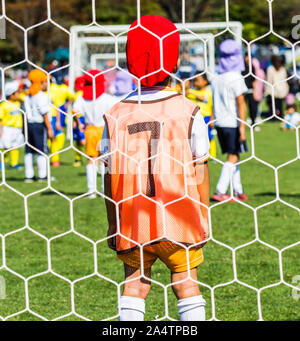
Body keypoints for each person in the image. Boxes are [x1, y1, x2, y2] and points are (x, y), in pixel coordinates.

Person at [102, 14, 210, 321]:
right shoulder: (188, 110)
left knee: (134, 286)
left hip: (134, 218)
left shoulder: (115, 114)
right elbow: (199, 167)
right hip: (180, 217)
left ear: (129, 60)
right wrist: (203, 214)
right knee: (186, 283)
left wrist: (113, 222)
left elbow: (108, 178)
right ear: (174, 62)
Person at [211, 39, 248, 202]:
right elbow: (241, 103)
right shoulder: (236, 78)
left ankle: (238, 190)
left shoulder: (217, 78)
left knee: (235, 155)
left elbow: (213, 100)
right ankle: (220, 190)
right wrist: (242, 127)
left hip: (219, 122)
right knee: (232, 156)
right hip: (232, 123)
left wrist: (212, 117)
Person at [73, 69, 118, 197]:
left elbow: (75, 110)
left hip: (90, 130)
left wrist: (80, 126)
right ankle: (105, 189)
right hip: (105, 129)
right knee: (105, 161)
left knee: (91, 160)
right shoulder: (107, 98)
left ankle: (91, 190)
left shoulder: (82, 98)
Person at [23, 69, 54, 182]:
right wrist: (50, 129)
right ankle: (42, 175)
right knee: (41, 150)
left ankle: (29, 175)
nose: (47, 84)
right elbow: (44, 114)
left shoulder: (28, 95)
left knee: (29, 150)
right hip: (39, 125)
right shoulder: (40, 96)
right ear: (40, 82)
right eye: (45, 82)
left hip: (29, 125)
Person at [187, 73, 217, 158]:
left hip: (206, 118)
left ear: (205, 81)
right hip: (194, 118)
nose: (195, 82)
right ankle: (197, 153)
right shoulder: (192, 91)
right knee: (195, 136)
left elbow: (205, 100)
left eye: (198, 80)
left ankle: (212, 155)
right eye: (194, 80)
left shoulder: (208, 92)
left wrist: (212, 118)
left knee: (209, 136)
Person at [0, 81, 24, 170]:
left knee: (15, 146)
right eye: (17, 92)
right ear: (11, 94)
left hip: (17, 128)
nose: (19, 94)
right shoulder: (4, 105)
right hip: (7, 128)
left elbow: (23, 99)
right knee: (6, 147)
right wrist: (0, 130)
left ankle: (14, 163)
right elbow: (0, 119)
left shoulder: (18, 103)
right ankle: (3, 162)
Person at [72, 75, 86, 167]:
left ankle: (92, 157)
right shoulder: (77, 94)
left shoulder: (81, 94)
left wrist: (78, 122)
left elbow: (75, 110)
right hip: (77, 119)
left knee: (83, 141)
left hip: (82, 119)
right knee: (78, 141)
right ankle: (78, 159)